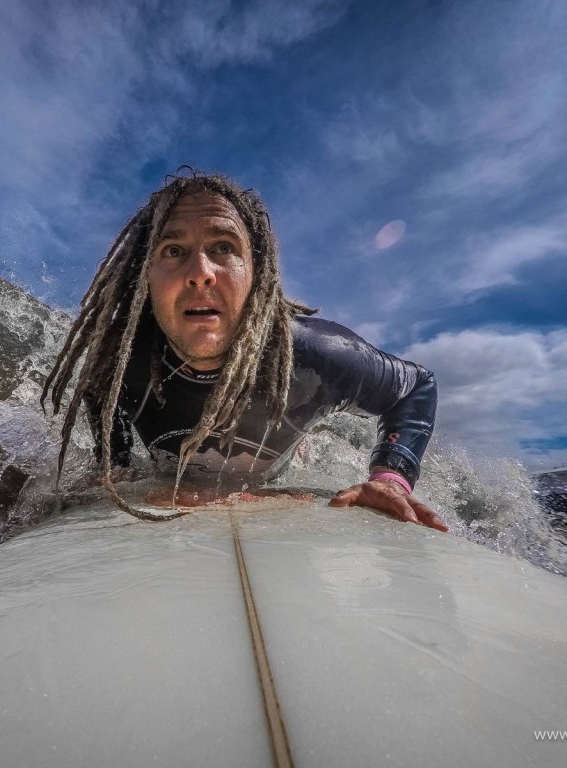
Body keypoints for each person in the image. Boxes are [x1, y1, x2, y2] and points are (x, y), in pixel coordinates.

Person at [42, 172, 446, 532]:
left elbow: (415, 386)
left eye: (222, 247)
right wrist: (116, 466)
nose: (200, 271)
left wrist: (389, 477)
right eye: (172, 250)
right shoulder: (120, 359)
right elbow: (98, 394)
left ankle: (304, 442)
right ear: (146, 275)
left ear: (256, 272)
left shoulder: (316, 356)